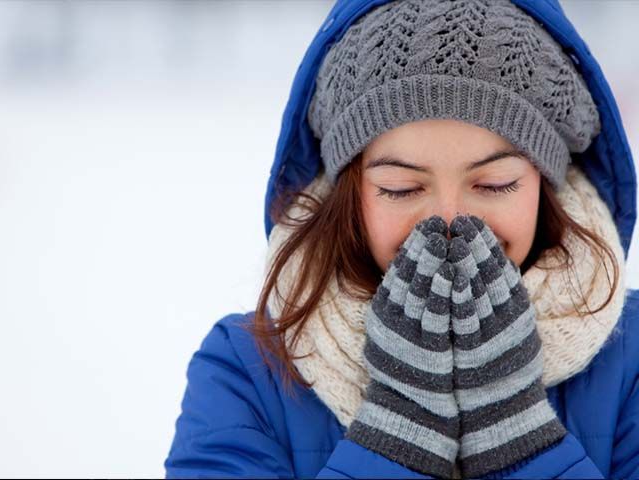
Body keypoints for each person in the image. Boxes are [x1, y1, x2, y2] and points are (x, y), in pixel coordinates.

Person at [164, 0, 639, 478]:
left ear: (545, 185)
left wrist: (516, 434)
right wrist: (396, 438)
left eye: (495, 184)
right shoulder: (246, 374)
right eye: (401, 188)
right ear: (350, 194)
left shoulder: (632, 360)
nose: (450, 221)